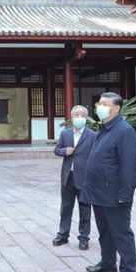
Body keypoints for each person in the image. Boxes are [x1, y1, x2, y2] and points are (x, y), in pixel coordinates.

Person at [81, 92, 136, 272]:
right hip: (98, 192)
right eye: (99, 103)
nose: (100, 107)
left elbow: (129, 166)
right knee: (104, 232)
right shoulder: (104, 128)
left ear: (116, 109)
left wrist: (125, 194)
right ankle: (107, 263)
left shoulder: (125, 131)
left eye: (105, 104)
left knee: (121, 234)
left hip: (115, 194)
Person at [52, 105, 96, 250]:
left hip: (84, 178)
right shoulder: (65, 134)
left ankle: (84, 238)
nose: (79, 117)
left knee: (85, 208)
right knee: (65, 208)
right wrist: (65, 151)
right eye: (76, 115)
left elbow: (95, 155)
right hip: (67, 177)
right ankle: (62, 235)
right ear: (71, 117)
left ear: (86, 118)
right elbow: (56, 150)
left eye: (82, 115)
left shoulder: (92, 135)